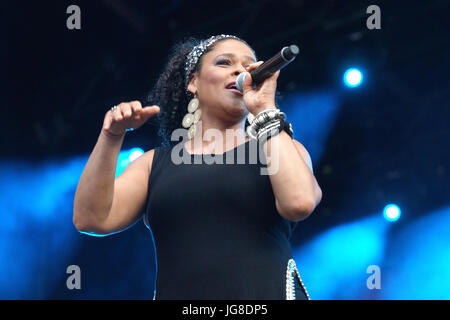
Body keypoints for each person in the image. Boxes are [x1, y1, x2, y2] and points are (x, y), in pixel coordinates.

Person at [73, 34, 322, 300]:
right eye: (225, 62)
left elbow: (300, 203)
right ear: (194, 82)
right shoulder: (155, 164)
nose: (240, 70)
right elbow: (92, 218)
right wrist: (111, 136)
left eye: (249, 65)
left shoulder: (279, 148)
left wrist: (265, 110)